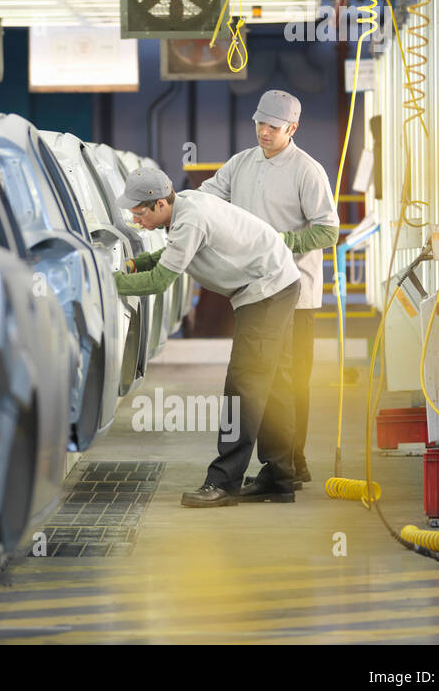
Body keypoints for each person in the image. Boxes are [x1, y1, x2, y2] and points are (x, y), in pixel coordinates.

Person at [113, 167, 301, 507]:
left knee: (243, 388)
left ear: (158, 204)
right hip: (279, 282)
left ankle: (224, 483)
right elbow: (172, 254)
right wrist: (133, 265)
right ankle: (279, 477)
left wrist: (105, 282)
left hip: (266, 290)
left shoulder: (191, 218)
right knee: (272, 384)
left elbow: (159, 280)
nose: (134, 218)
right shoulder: (185, 206)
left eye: (139, 211)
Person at [198, 90, 340, 489]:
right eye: (260, 123)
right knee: (272, 380)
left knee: (291, 381)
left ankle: (291, 462)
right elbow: (208, 197)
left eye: (273, 127)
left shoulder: (306, 170)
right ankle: (287, 468)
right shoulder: (241, 164)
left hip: (297, 293)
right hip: (255, 291)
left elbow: (328, 230)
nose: (264, 131)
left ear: (292, 128)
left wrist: (279, 243)